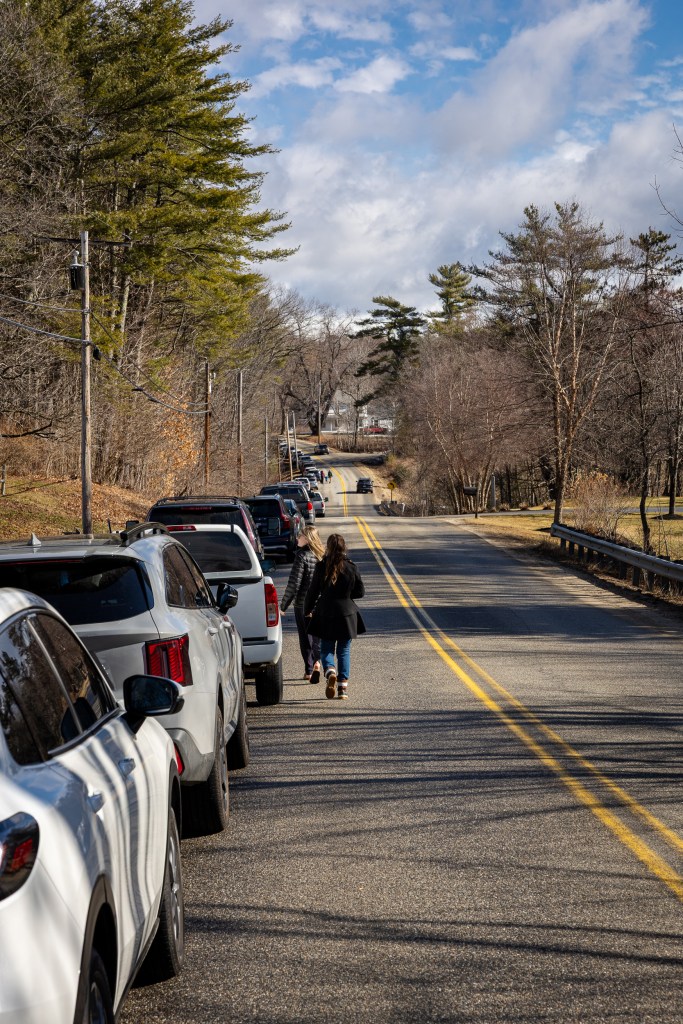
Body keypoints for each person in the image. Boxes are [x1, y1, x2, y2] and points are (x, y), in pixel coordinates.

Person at [304, 533, 365, 700]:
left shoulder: (321, 566)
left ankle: (330, 670)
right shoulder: (351, 567)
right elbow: (360, 592)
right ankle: (342, 688)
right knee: (344, 650)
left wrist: (307, 609)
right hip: (347, 614)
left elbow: (313, 591)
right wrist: (346, 594)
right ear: (344, 548)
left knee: (326, 648)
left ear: (328, 547)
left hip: (325, 613)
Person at [280, 525, 325, 683]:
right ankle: (319, 662)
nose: (297, 538)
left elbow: (294, 584)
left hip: (303, 603)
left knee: (305, 637)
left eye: (300, 536)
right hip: (320, 603)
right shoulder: (322, 556)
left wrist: (283, 605)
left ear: (307, 538)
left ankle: (309, 669)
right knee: (318, 636)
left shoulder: (301, 556)